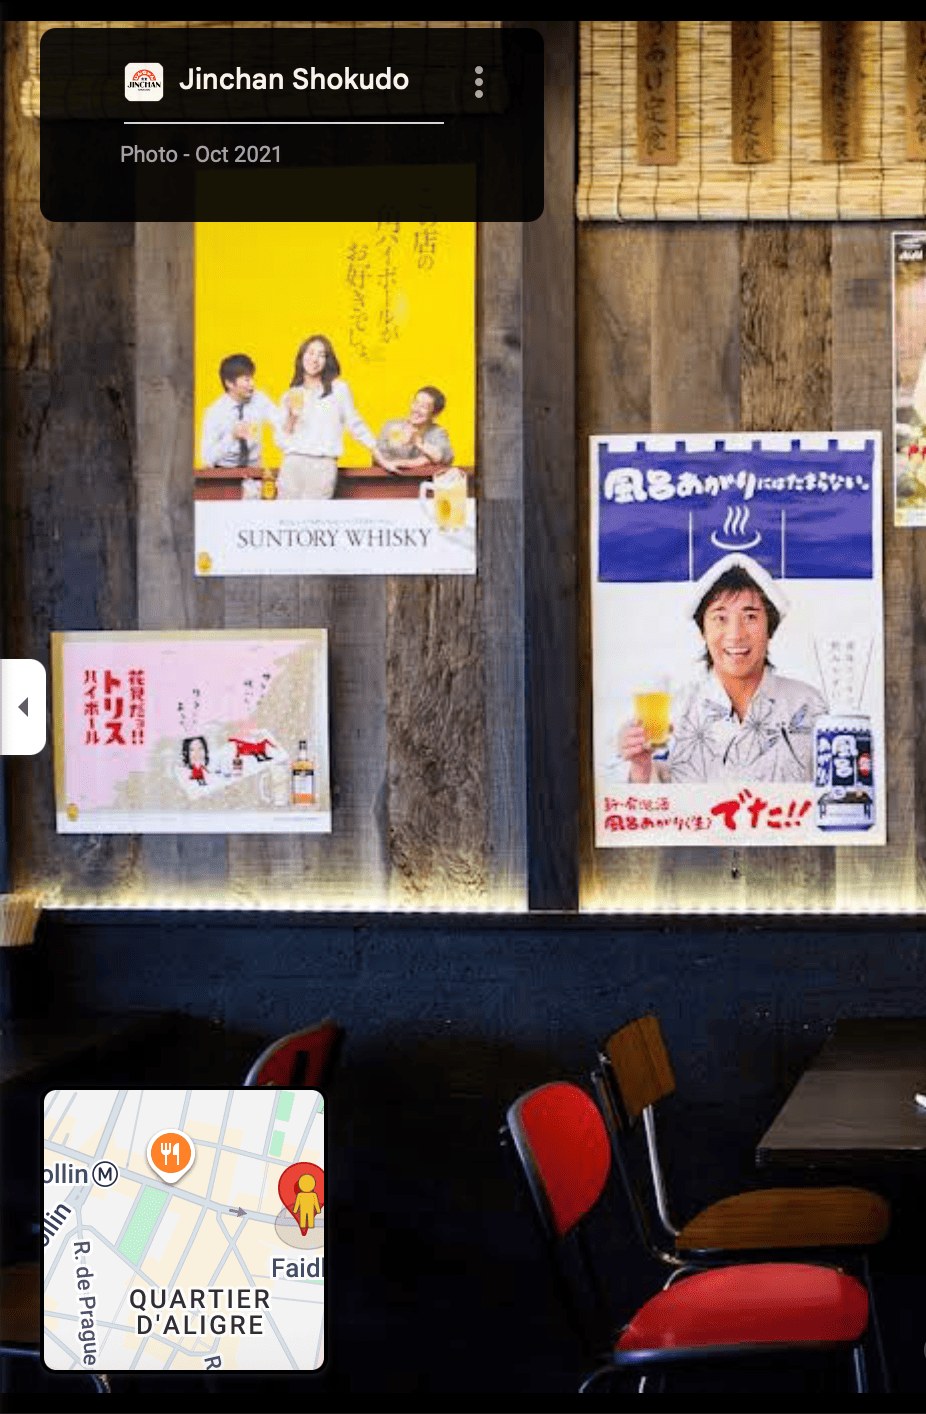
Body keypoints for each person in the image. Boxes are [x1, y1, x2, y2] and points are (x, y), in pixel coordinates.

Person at [619, 554, 826, 784]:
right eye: (720, 618)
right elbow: (650, 808)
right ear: (703, 630)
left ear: (770, 627)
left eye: (750, 616)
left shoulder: (809, 705)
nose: (736, 634)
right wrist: (640, 766)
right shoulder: (676, 709)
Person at [275, 335, 399, 499]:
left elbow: (356, 425)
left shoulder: (339, 389)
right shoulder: (290, 394)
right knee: (285, 520)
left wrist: (380, 457)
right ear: (301, 356)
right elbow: (281, 440)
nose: (315, 359)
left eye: (321, 355)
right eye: (310, 353)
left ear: (328, 360)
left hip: (323, 465)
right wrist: (291, 417)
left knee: (314, 520)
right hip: (292, 464)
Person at [200, 354, 280, 477]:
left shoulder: (260, 399)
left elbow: (280, 421)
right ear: (230, 384)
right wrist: (231, 436)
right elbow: (207, 458)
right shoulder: (215, 412)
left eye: (252, 378)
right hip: (224, 474)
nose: (252, 384)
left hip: (254, 471)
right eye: (247, 380)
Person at [376, 386, 454, 471]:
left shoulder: (437, 433)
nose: (417, 409)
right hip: (387, 480)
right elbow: (378, 455)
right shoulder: (391, 426)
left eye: (424, 407)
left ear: (434, 413)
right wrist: (422, 461)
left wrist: (418, 443)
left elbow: (444, 458)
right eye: (416, 403)